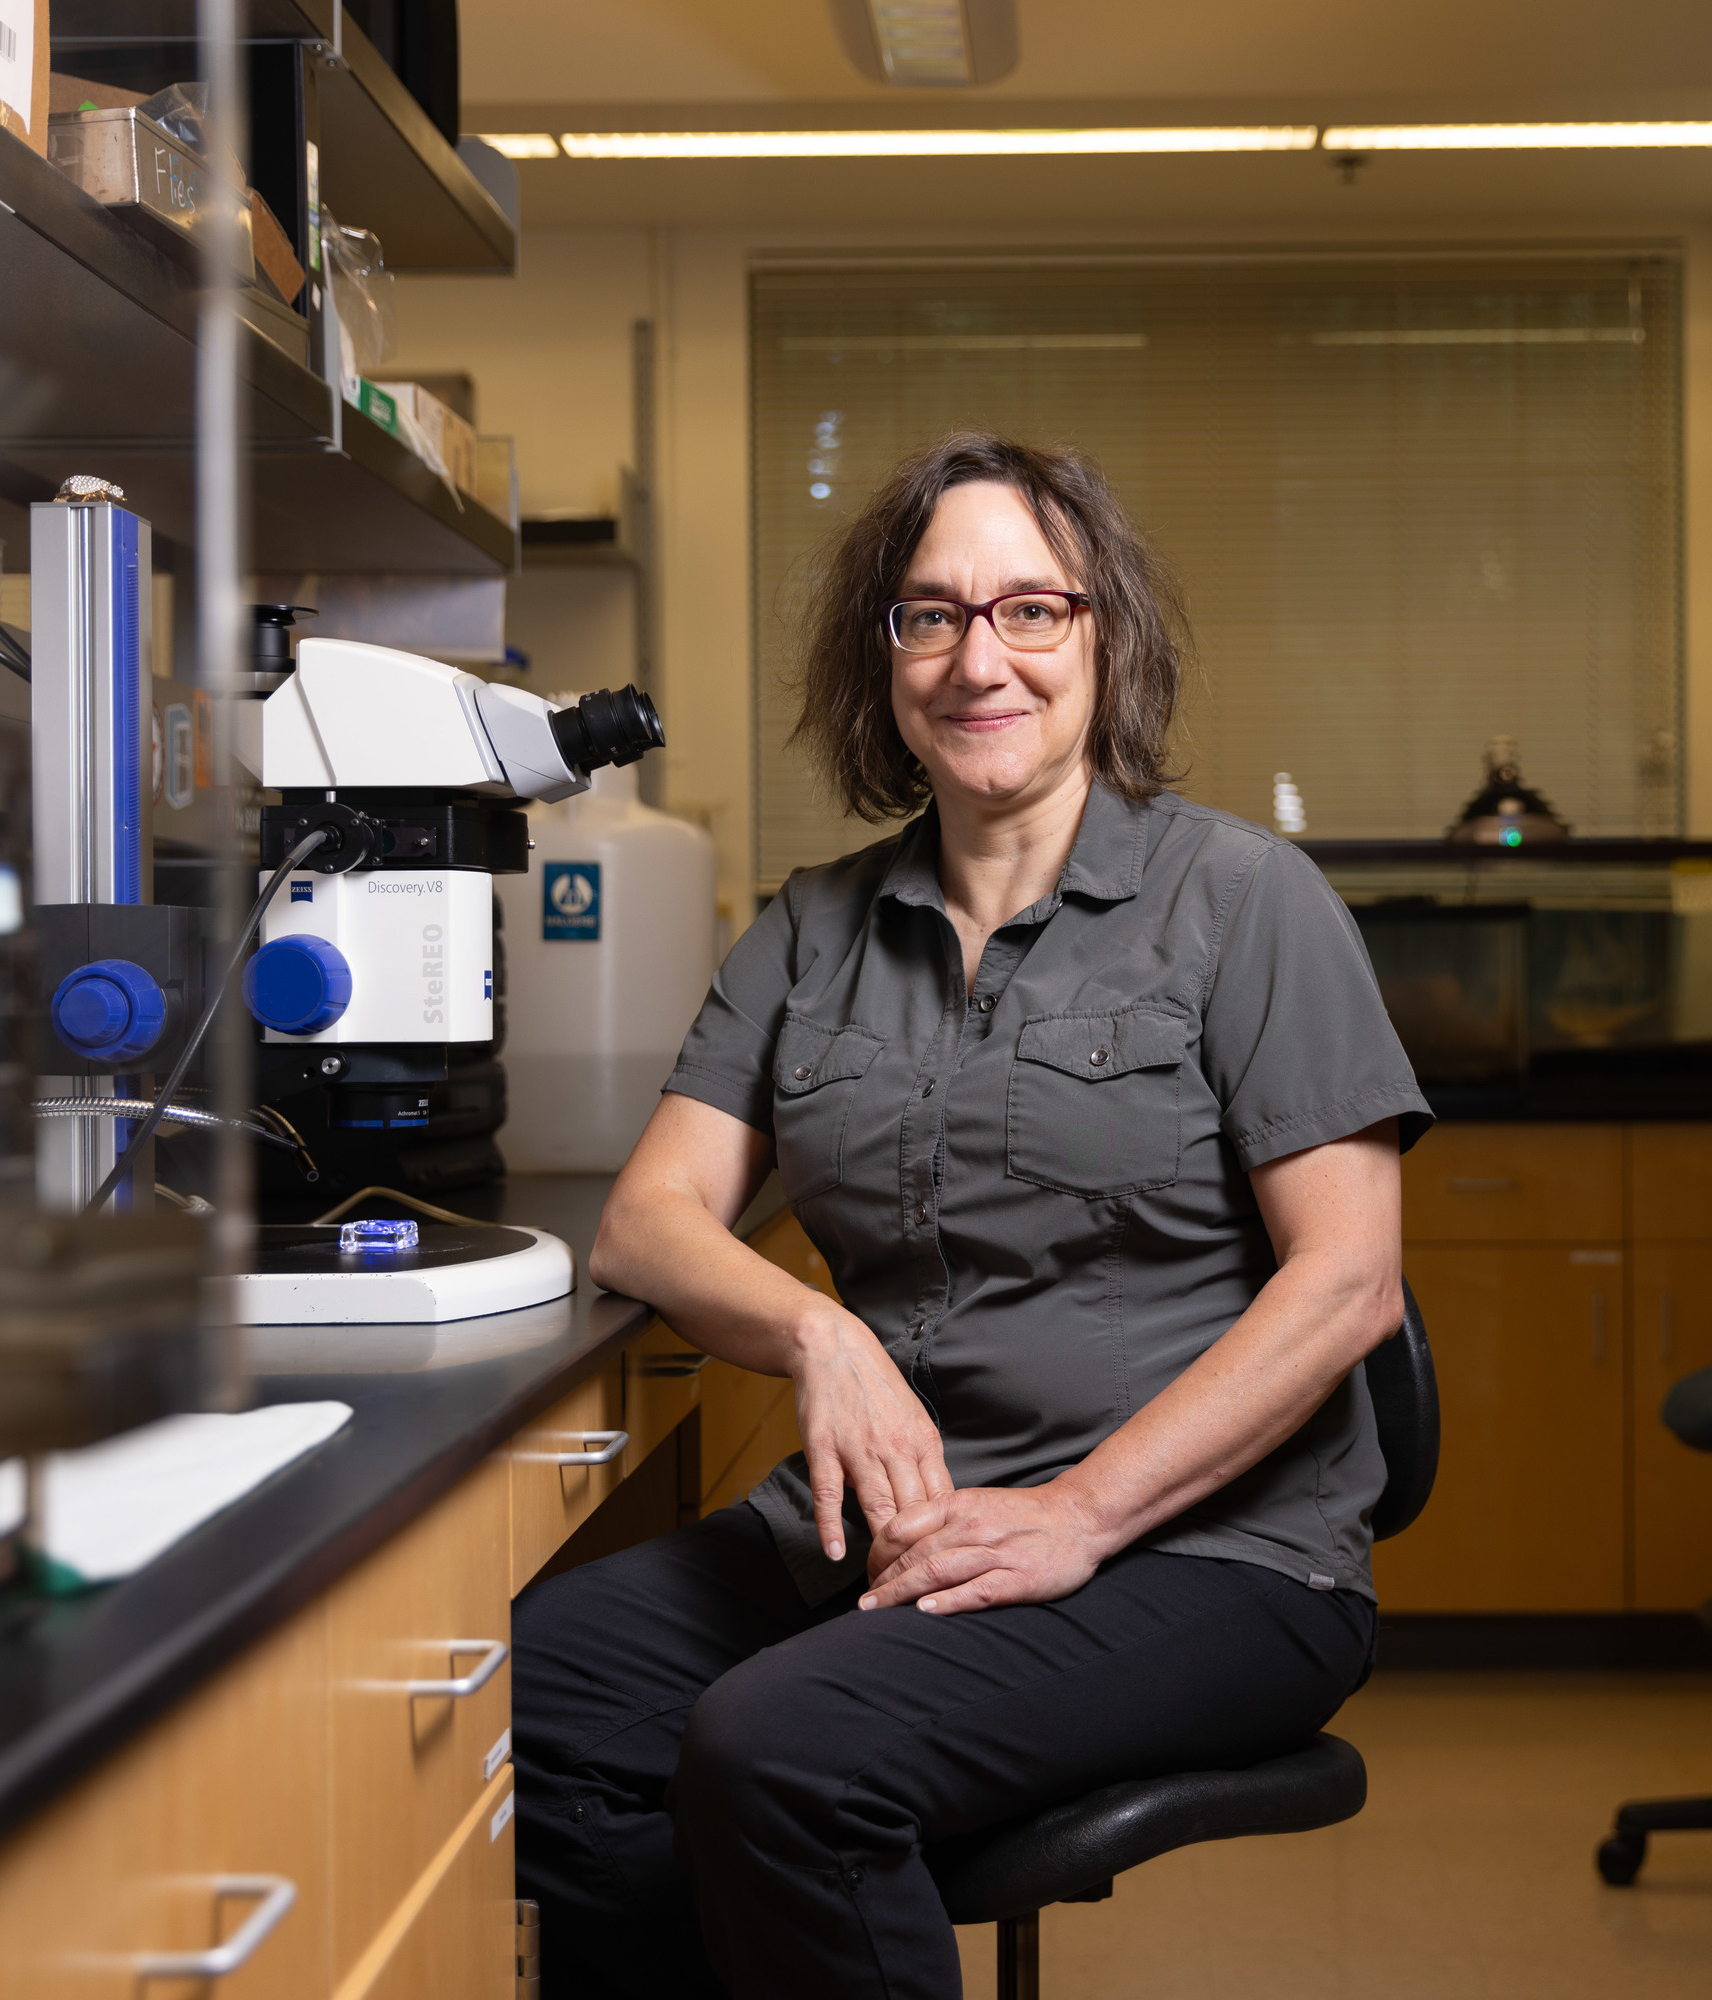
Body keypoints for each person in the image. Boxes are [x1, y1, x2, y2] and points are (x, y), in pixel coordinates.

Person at [511, 431, 1431, 1998]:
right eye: (928, 615)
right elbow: (647, 1224)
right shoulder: (809, 929)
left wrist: (1074, 1515)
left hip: (1208, 1554)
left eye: (1029, 611)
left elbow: (1346, 1286)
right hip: (893, 1533)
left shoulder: (1241, 902)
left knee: (781, 1753)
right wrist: (820, 1334)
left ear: (1103, 640)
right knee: (517, 1703)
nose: (975, 658)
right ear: (882, 661)